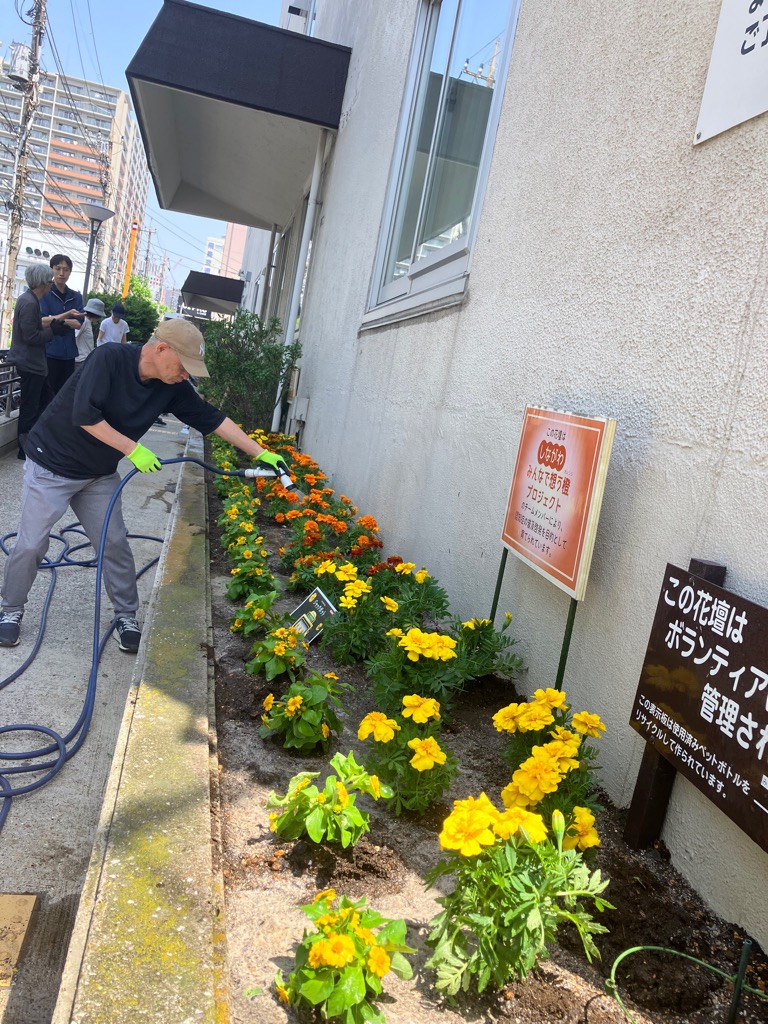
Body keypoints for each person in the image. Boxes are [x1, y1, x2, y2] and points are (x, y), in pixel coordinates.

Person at [0, 318, 290, 651]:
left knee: (115, 545)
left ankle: (126, 615)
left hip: (98, 474)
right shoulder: (109, 358)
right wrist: (133, 449)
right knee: (31, 544)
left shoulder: (172, 387)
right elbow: (85, 415)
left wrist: (262, 453)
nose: (186, 375)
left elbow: (211, 417)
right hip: (52, 463)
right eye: (184, 366)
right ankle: (11, 610)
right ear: (162, 348)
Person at [9, 263, 75, 461]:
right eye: (49, 282)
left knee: (47, 403)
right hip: (29, 363)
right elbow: (31, 336)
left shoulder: (30, 300)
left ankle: (35, 444)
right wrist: (53, 331)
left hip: (35, 365)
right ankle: (24, 450)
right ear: (43, 284)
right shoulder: (29, 302)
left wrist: (55, 324)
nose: (50, 286)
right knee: (31, 407)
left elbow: (36, 325)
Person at [39, 253, 85, 394]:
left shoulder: (76, 296)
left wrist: (56, 319)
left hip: (69, 354)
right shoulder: (45, 293)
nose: (61, 273)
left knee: (64, 394)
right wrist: (66, 318)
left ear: (70, 272)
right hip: (49, 353)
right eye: (57, 268)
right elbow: (42, 321)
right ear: (52, 269)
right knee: (47, 394)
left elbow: (78, 324)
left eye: (65, 270)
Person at [74, 297, 106, 365]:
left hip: (86, 359)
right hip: (80, 360)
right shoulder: (84, 321)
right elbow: (74, 336)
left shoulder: (88, 322)